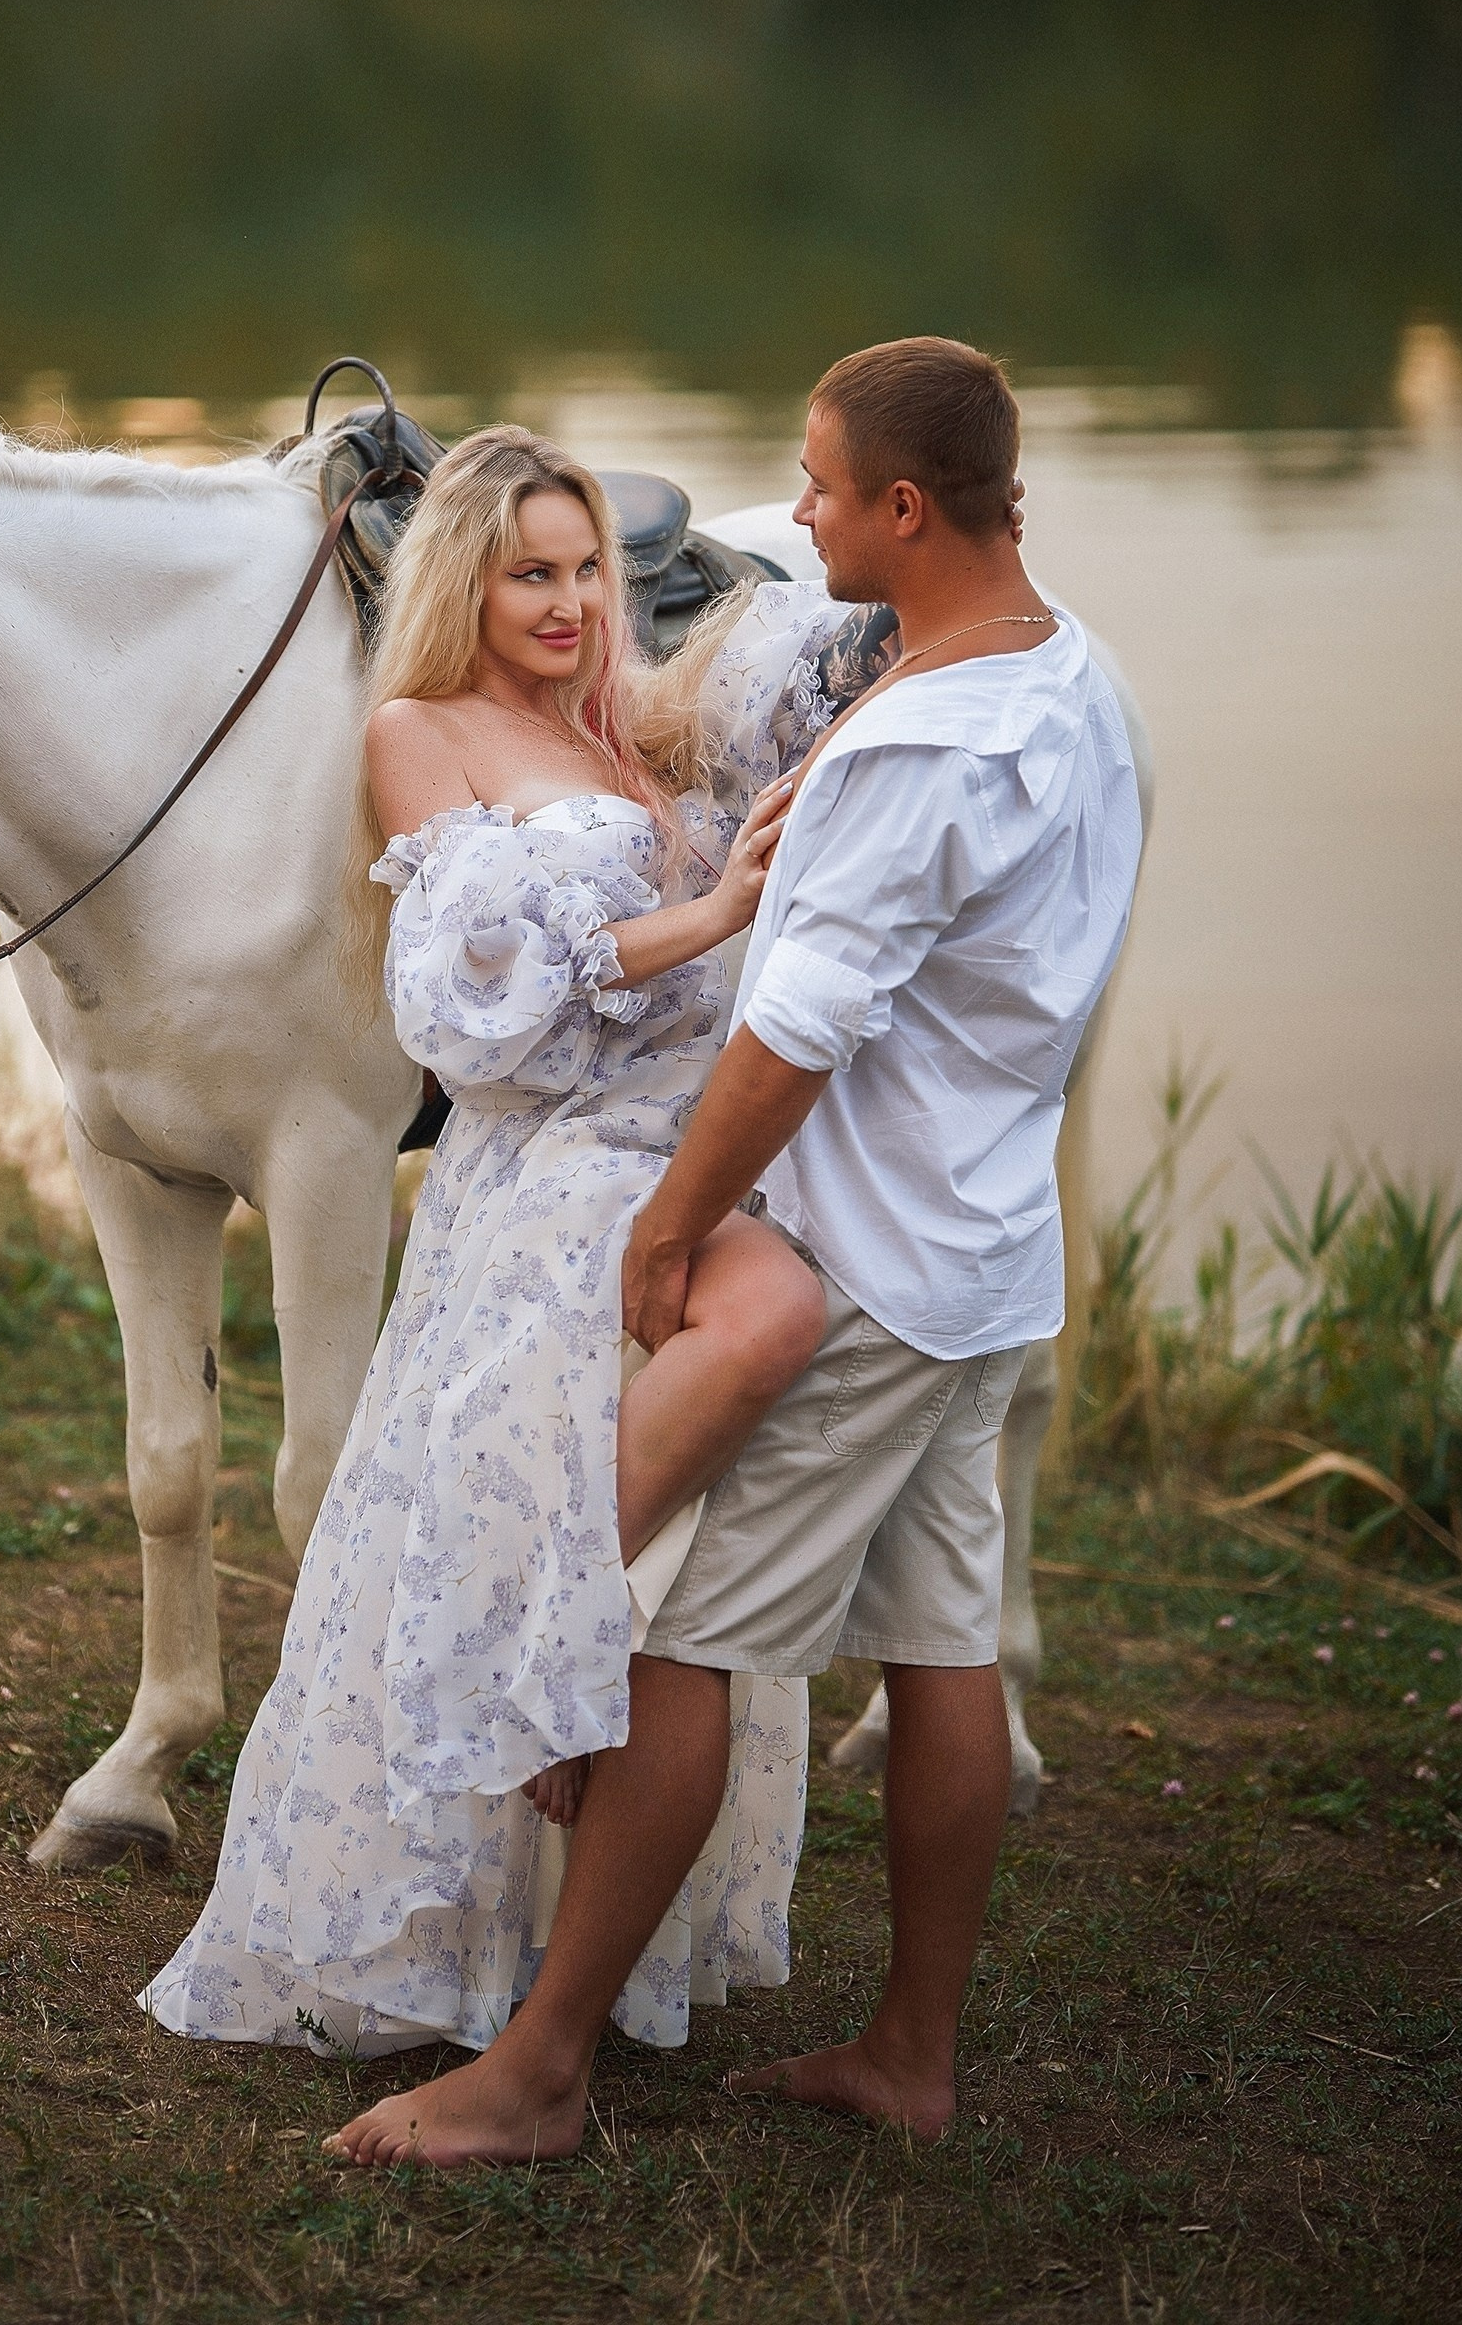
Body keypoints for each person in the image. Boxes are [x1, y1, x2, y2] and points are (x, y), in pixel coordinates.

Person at [328, 337, 1145, 2167]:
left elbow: (792, 1038)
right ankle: (910, 2055)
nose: (792, 512)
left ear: (904, 508)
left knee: (670, 1646)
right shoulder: (1068, 677)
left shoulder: (915, 750)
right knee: (943, 1647)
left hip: (865, 1265)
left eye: (822, 486)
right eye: (531, 572)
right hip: (991, 1250)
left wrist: (678, 1223)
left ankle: (537, 2071)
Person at [143, 424, 867, 2060]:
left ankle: (580, 1920)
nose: (568, 602)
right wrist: (712, 913)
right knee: (546, 1486)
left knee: (686, 1532)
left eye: (588, 569)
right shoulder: (419, 733)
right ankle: (463, 1889)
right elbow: (476, 1012)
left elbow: (823, 686)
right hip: (553, 1171)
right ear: (465, 582)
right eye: (530, 572)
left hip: (689, 1149)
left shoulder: (627, 726)